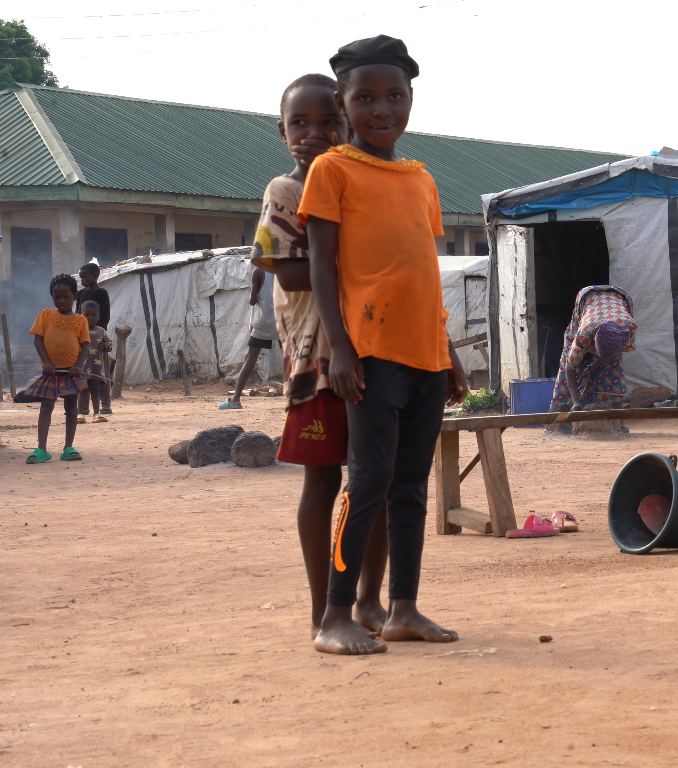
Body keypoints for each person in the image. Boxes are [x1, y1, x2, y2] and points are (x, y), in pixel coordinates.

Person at [301, 35, 468, 654]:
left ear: (411, 100)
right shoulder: (332, 169)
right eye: (366, 97)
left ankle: (403, 608)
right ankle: (335, 616)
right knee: (365, 479)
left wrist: (447, 352)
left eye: (395, 96)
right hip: (369, 352)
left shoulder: (421, 179)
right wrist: (340, 347)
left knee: (410, 485)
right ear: (344, 105)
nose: (382, 109)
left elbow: (424, 269)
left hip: (424, 352)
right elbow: (322, 266)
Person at [252, 72, 390, 638]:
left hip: (377, 351)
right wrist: (350, 263)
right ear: (281, 130)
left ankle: (370, 601)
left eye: (328, 121)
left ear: (347, 122)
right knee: (323, 483)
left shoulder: (362, 183)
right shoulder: (285, 192)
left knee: (374, 483)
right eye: (299, 123)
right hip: (316, 362)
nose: (315, 133)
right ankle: (321, 611)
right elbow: (283, 271)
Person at [545, 285, 637, 430]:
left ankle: (618, 421)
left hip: (616, 308)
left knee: (614, 368)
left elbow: (610, 353)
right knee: (567, 364)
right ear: (593, 344)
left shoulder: (628, 330)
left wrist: (592, 367)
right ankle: (559, 421)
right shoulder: (582, 335)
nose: (605, 360)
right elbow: (569, 367)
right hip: (587, 305)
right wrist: (576, 402)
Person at [22, 274, 89, 464]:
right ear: (52, 296)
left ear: (75, 296)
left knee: (71, 408)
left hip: (71, 373)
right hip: (51, 373)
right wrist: (47, 362)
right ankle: (41, 449)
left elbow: (84, 345)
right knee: (45, 407)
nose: (61, 300)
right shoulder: (45, 315)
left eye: (65, 296)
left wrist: (78, 366)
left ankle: (69, 448)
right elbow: (38, 340)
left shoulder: (81, 320)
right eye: (56, 296)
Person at [219, 266, 278, 409]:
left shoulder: (259, 271)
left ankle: (236, 399)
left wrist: (252, 291)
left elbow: (252, 301)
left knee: (251, 358)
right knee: (294, 358)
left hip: (263, 322)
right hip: (284, 320)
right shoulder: (286, 268)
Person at [77, 263, 114, 415]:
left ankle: (105, 404)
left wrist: (99, 336)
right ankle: (83, 408)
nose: (82, 280)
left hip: (98, 340)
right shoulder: (81, 294)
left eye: (84, 277)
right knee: (83, 375)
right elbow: (77, 314)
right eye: (81, 277)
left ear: (95, 276)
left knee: (102, 373)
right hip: (83, 339)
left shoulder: (102, 293)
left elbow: (105, 316)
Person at [77, 300, 112, 424]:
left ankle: (96, 414)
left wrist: (105, 346)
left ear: (99, 316)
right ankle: (80, 414)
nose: (90, 318)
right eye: (87, 315)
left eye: (93, 315)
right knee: (83, 390)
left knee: (95, 391)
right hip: (82, 368)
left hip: (97, 368)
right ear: (81, 316)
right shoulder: (78, 330)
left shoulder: (101, 331)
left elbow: (109, 344)